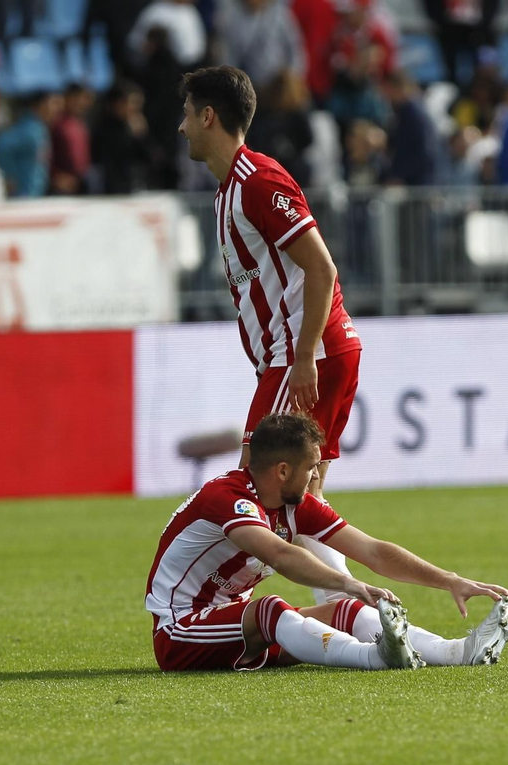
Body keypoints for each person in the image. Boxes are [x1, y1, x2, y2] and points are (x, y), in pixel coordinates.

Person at [178, 65, 364, 603]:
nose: (182, 127)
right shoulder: (227, 192)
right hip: (304, 354)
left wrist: (303, 356)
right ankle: (355, 618)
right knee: (299, 499)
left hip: (302, 355)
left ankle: (227, 607)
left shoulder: (257, 181)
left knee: (257, 493)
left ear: (208, 116)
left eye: (187, 114)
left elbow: (322, 268)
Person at [146, 412, 508, 673]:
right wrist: (347, 582)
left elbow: (373, 550)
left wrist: (449, 580)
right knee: (271, 609)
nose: (314, 477)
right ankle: (376, 657)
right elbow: (279, 554)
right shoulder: (227, 498)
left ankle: (457, 652)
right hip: (181, 629)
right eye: (311, 467)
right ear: (282, 471)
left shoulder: (291, 505)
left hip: (236, 628)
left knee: (346, 612)